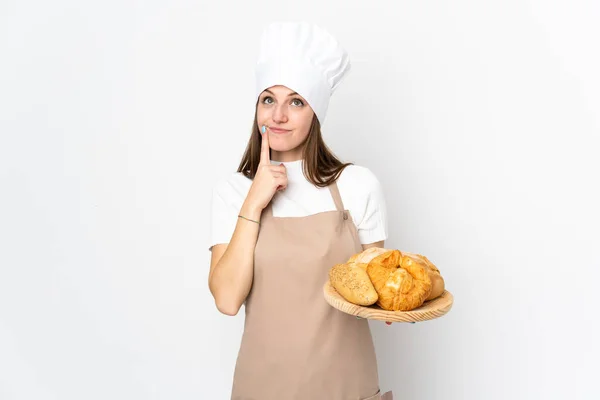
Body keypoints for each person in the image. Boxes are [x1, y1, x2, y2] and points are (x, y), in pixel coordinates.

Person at [208, 22, 393, 400]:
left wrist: (395, 301)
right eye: (268, 100)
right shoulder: (234, 192)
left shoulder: (358, 186)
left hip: (346, 387)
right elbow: (227, 299)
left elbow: (378, 290)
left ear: (315, 113)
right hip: (263, 388)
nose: (278, 116)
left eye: (296, 101)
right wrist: (254, 203)